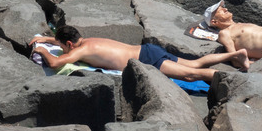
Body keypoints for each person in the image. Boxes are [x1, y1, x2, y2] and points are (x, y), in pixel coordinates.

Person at [32, 27, 248, 82]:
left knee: (193, 75)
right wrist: (48, 39)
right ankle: (235, 55)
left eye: (61, 46)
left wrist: (42, 50)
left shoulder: (81, 50)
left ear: (69, 44)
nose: (60, 50)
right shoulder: (88, 40)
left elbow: (55, 64)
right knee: (196, 63)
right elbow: (65, 44)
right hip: (147, 50)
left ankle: (236, 80)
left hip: (145, 60)